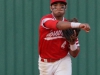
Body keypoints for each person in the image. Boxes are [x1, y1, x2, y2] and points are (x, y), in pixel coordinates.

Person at [38, 0, 90, 75]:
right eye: (55, 5)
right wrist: (78, 25)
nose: (58, 7)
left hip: (62, 61)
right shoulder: (45, 19)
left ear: (66, 7)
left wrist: (72, 43)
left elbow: (74, 54)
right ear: (50, 8)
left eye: (61, 5)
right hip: (45, 63)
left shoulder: (69, 26)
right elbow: (58, 25)